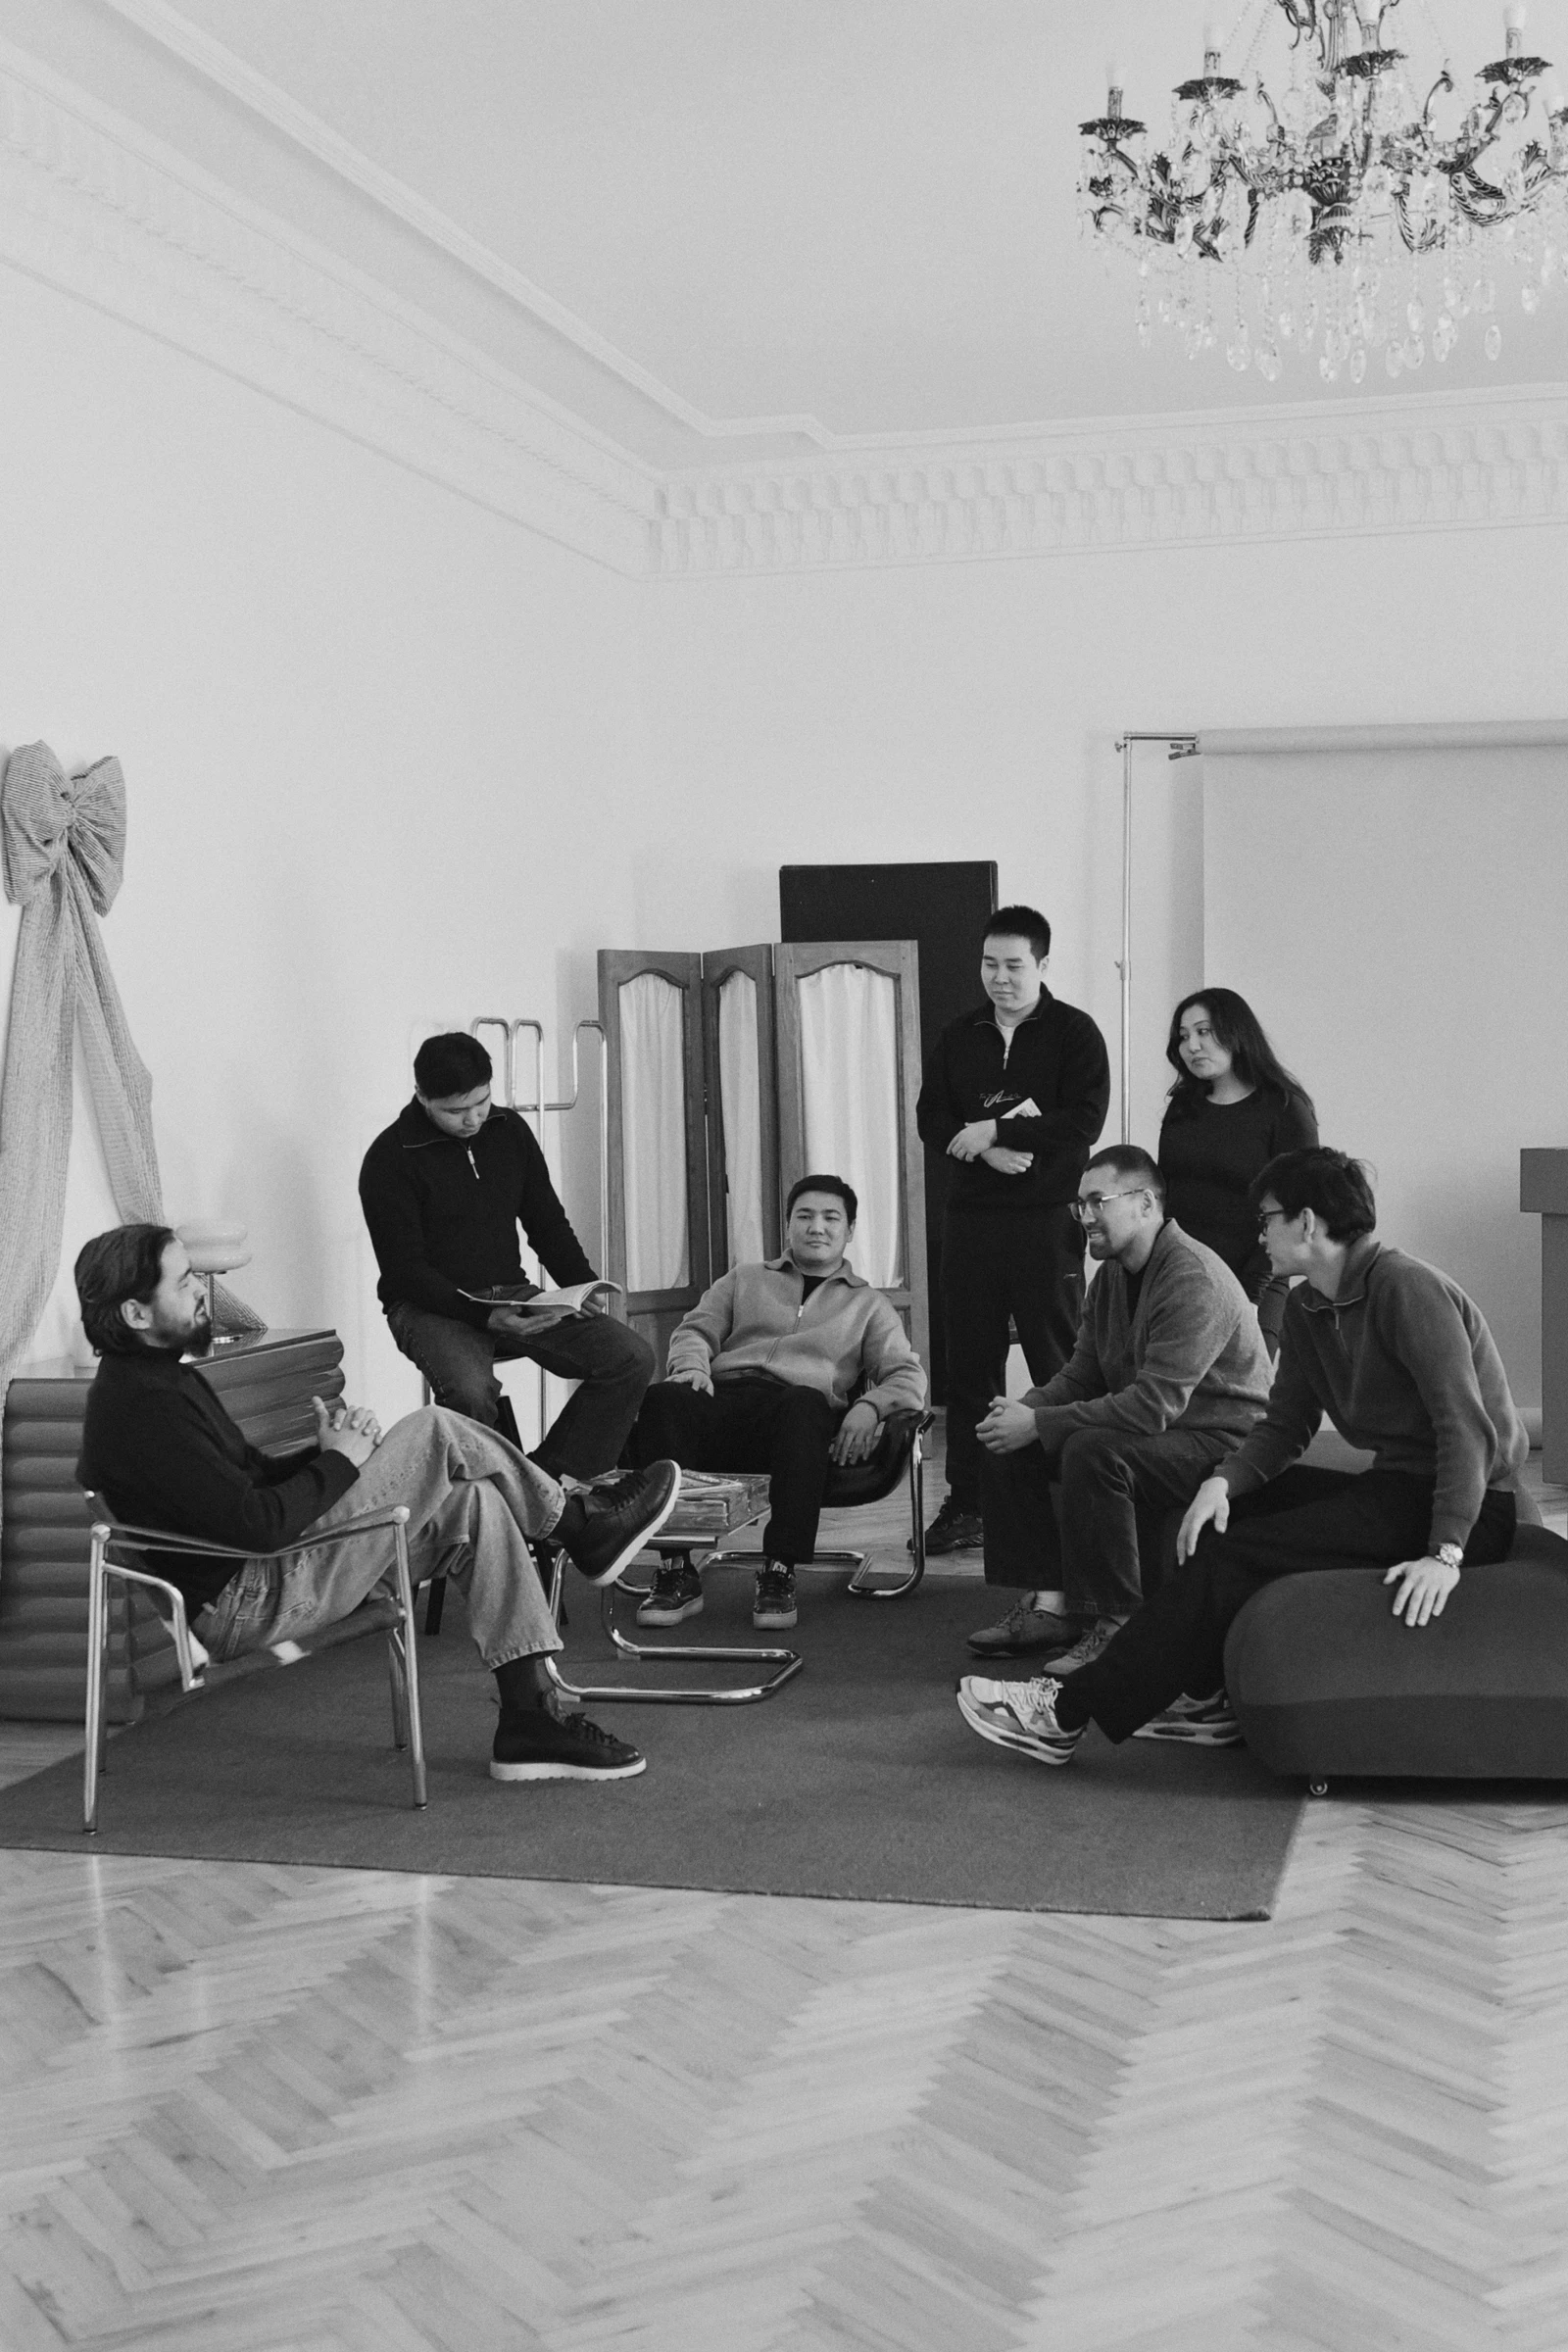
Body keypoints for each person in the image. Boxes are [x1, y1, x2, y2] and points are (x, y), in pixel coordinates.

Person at [956, 1148, 1526, 1767]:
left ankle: (1065, 1715)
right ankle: (1202, 1698)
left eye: (1266, 1219)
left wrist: (1445, 1553)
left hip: (1466, 1509)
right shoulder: (1309, 1306)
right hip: (1396, 1488)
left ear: (1306, 1222)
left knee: (1234, 1552)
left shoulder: (1405, 1287)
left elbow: (1466, 1431)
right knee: (1221, 1520)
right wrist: (1223, 1484)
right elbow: (1284, 1427)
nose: (1258, 1235)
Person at [75, 1224, 683, 1783]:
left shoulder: (161, 1381)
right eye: (184, 1282)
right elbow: (257, 1528)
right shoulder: (140, 1409)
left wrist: (330, 1453)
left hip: (268, 1573)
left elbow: (250, 1481)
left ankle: (529, 1721)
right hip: (250, 1598)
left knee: (474, 1505)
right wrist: (341, 1462)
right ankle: (577, 1526)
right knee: (435, 1429)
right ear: (135, 1311)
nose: (202, 1291)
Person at [966, 1145, 1271, 1672]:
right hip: (1164, 1430)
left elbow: (1154, 1405)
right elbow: (1081, 1374)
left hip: (1221, 1439)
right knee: (1004, 1435)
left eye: (1097, 1202)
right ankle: (1051, 1604)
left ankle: (1117, 1625)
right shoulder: (1110, 1277)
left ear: (1147, 1204)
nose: (1084, 1216)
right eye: (1079, 1205)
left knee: (1091, 1449)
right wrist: (1022, 1412)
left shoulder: (1192, 1275)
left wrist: (1039, 1422)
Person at [627, 1175, 927, 1630]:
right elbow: (695, 1330)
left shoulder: (867, 1304)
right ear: (788, 1226)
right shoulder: (745, 1278)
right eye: (804, 1216)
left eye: (831, 1218)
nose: (817, 1227)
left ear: (849, 1230)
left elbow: (907, 1375)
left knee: (804, 1404)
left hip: (796, 1418)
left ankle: (780, 1569)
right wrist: (691, 1367)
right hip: (725, 1398)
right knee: (663, 1400)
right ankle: (675, 1570)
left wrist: (869, 1407)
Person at [359, 1031, 653, 1476]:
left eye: (482, 1102)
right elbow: (405, 1271)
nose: (473, 1119)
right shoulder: (389, 1158)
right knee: (472, 1394)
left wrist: (579, 1283)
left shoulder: (509, 1130)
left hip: (512, 1293)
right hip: (430, 1306)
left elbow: (546, 1221)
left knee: (630, 1357)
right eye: (456, 1111)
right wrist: (482, 1316)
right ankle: (493, 1505)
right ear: (421, 1096)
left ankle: (550, 1483)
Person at [915, 905, 1109, 1554]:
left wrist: (999, 1129)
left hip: (1047, 1221)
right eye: (989, 964)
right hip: (969, 1222)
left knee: (1061, 1361)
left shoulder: (1075, 1033)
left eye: (1014, 966)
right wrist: (980, 1151)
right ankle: (968, 1502)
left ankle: (1063, 1497)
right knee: (970, 1369)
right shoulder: (960, 1033)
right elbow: (932, 1117)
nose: (999, 978)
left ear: (1043, 965)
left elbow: (1083, 1122)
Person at [1157, 989, 1317, 1348]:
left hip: (1255, 1279)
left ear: (1237, 1032)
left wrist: (1250, 1291)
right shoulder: (1183, 1106)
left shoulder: (1285, 1109)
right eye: (1183, 1037)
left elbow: (1296, 1206)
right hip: (1183, 1277)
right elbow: (1169, 1190)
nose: (1192, 1046)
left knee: (1243, 1397)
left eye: (1203, 1032)